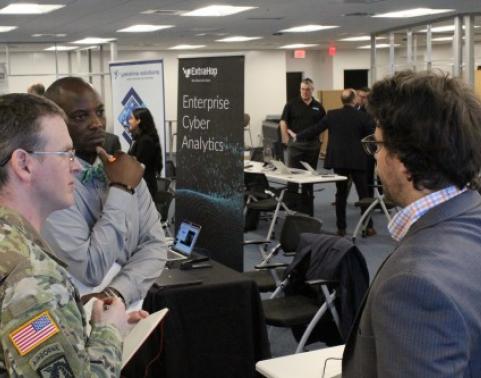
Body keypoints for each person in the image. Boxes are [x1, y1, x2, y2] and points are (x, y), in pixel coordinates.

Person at [342, 70, 481, 377]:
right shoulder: (472, 216)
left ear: (402, 161)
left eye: (377, 146)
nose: (375, 160)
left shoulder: (413, 287)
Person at [0, 93, 147, 377]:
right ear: (24, 164)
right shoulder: (30, 277)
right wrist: (108, 333)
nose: (77, 165)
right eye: (66, 154)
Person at [42, 77, 167, 307]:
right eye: (81, 116)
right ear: (54, 124)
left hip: (128, 307)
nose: (97, 123)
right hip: (77, 318)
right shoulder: (48, 188)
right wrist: (121, 189)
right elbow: (91, 268)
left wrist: (117, 292)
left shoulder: (127, 169)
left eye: (99, 112)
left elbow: (156, 245)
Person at [292, 89, 374, 236]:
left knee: (340, 194)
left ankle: (341, 228)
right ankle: (368, 227)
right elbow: (372, 137)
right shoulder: (363, 117)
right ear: (354, 100)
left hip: (339, 160)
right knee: (364, 194)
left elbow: (315, 129)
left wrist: (298, 136)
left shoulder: (332, 114)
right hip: (357, 160)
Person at [280, 78, 326, 216]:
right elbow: (283, 122)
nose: (305, 92)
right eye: (302, 89)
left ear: (312, 89)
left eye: (307, 89)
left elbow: (324, 125)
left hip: (313, 146)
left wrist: (322, 143)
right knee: (293, 175)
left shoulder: (318, 106)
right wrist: (286, 139)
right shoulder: (291, 104)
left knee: (309, 177)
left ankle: (307, 206)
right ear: (300, 89)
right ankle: (291, 207)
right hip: (296, 145)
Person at [128, 107, 163, 198]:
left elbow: (138, 165)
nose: (129, 121)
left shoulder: (145, 141)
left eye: (131, 118)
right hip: (141, 187)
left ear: (139, 121)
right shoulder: (139, 139)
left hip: (145, 190)